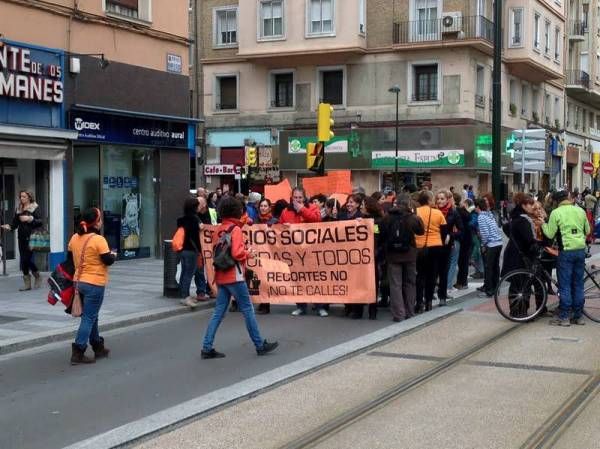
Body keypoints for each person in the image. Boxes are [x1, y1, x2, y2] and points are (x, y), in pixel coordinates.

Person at [201, 197, 278, 358]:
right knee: (248, 310)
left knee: (218, 312)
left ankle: (207, 347)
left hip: (221, 275)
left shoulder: (218, 229)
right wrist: (248, 252)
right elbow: (237, 253)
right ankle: (259, 344)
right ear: (236, 210)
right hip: (234, 275)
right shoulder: (235, 230)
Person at [67, 207, 116, 364]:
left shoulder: (74, 237)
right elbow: (107, 260)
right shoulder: (98, 240)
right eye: (100, 218)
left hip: (78, 282)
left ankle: (98, 347)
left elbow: (70, 258)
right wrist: (113, 255)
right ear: (96, 222)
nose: (101, 221)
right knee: (89, 317)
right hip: (95, 283)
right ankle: (78, 351)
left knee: (91, 315)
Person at [543, 190, 590, 326]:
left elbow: (550, 234)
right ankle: (578, 316)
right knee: (578, 284)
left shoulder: (556, 213)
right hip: (580, 250)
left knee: (565, 285)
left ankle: (564, 317)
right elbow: (587, 231)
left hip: (566, 252)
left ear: (556, 201)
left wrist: (542, 224)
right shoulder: (580, 211)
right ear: (568, 198)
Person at [380, 194, 424, 321]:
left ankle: (399, 314)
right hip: (410, 254)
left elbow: (381, 235)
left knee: (395, 285)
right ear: (408, 204)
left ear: (396, 204)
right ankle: (410, 311)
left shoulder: (387, 218)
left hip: (393, 255)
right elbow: (421, 231)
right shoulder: (412, 218)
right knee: (410, 283)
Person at [279, 187, 323, 316]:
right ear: (291, 198)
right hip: (295, 251)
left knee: (314, 279)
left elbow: (317, 220)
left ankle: (319, 306)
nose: (297, 200)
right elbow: (279, 229)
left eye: (300, 198)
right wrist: (284, 227)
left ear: (304, 198)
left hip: (310, 250)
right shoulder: (285, 211)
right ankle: (301, 306)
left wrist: (302, 210)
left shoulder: (312, 208)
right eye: (295, 198)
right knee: (297, 278)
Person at [500, 193, 542, 317]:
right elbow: (529, 240)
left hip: (513, 255)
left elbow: (506, 228)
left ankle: (516, 311)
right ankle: (520, 312)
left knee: (516, 285)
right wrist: (540, 244)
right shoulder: (523, 220)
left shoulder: (514, 217)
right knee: (523, 285)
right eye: (530, 204)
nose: (532, 206)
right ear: (523, 205)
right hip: (521, 257)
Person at [1, 190, 43, 291]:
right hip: (21, 237)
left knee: (26, 259)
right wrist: (9, 227)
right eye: (20, 197)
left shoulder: (34, 207)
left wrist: (30, 219)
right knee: (24, 260)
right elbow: (15, 223)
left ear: (29, 197)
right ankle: (27, 284)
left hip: (32, 236)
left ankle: (37, 275)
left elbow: (40, 222)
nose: (21, 198)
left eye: (24, 197)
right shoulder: (19, 208)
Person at [415, 191, 446, 312]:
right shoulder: (438, 213)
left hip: (420, 246)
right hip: (435, 246)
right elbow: (443, 231)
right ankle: (429, 302)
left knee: (420, 275)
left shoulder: (416, 212)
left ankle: (419, 303)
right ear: (429, 200)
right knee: (432, 275)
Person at [435, 189, 463, 305]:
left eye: (442, 199)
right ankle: (429, 296)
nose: (440, 201)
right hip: (433, 244)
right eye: (438, 199)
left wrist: (450, 235)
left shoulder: (453, 212)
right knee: (432, 272)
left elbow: (461, 230)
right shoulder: (433, 211)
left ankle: (442, 296)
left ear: (447, 200)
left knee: (443, 271)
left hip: (446, 245)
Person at [177, 197, 203, 307]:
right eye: (198, 205)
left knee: (184, 272)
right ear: (194, 207)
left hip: (182, 249)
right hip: (192, 250)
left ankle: (183, 295)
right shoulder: (195, 219)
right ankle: (185, 297)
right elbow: (197, 235)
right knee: (189, 273)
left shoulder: (182, 219)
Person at [476, 198, 503, 298]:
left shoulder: (481, 217)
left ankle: (489, 290)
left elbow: (485, 234)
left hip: (491, 244)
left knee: (488, 268)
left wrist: (483, 245)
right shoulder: (490, 215)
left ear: (478, 207)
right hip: (498, 243)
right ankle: (496, 288)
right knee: (495, 267)